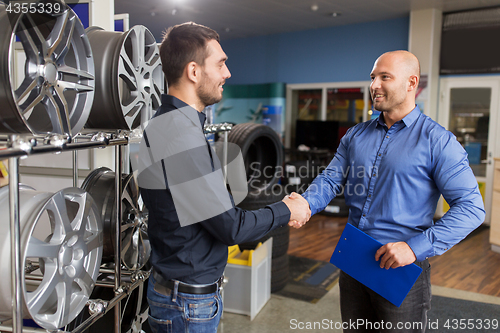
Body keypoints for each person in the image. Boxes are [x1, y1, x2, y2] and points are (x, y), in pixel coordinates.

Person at [137, 22, 310, 333]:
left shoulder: (164, 124)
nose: (227, 73)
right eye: (220, 63)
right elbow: (231, 228)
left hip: (176, 293)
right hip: (187, 305)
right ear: (193, 71)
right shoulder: (181, 137)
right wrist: (287, 209)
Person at [301, 50, 485, 332]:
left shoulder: (438, 142)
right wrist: (304, 204)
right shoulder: (355, 135)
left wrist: (414, 248)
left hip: (401, 269)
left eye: (384, 77)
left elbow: (471, 209)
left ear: (411, 83)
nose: (374, 85)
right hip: (354, 261)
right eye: (373, 77)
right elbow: (330, 179)